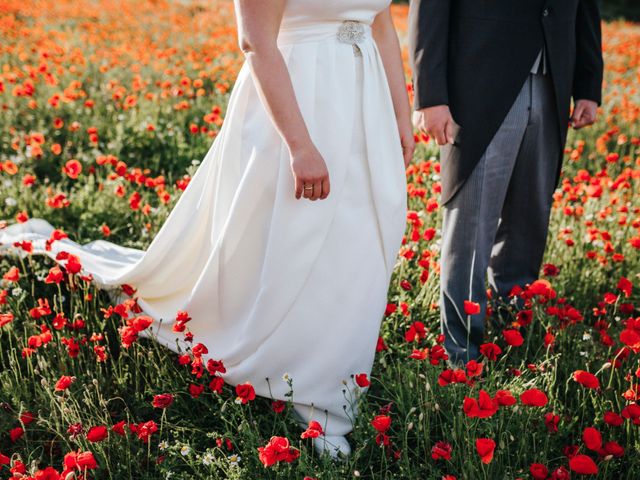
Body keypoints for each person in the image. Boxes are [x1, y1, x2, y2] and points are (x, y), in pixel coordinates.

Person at [0, 0, 413, 459]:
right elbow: (255, 43)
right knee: (296, 240)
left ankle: (333, 370)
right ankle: (312, 392)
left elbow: (381, 27)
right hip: (299, 103)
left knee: (360, 240)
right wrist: (300, 146)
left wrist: (400, 114)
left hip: (364, 98)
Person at [409, 0, 604, 366]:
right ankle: (461, 355)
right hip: (479, 85)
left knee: (528, 221)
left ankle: (511, 333)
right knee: (471, 227)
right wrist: (431, 95)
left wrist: (588, 83)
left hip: (552, 82)